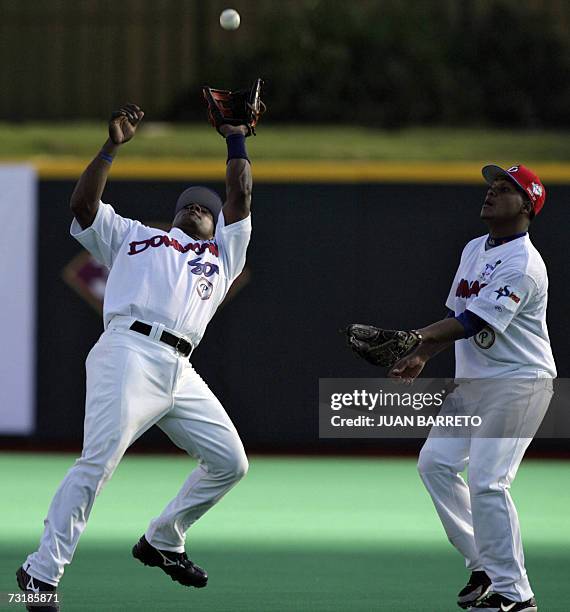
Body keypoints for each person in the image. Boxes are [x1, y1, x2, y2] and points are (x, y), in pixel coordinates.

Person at [17, 103, 254, 610]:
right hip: (128, 349)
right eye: (188, 204)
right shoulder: (136, 236)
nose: (196, 208)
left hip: (180, 367)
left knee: (231, 462)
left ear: (217, 225)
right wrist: (110, 149)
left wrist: (235, 137)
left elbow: (240, 192)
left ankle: (163, 539)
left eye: (205, 208)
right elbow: (82, 206)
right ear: (173, 214)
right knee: (98, 463)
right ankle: (40, 574)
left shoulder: (224, 257)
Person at [389, 164, 555, 612]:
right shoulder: (474, 249)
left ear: (526, 206)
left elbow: (473, 322)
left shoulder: (524, 264)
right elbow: (457, 314)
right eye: (492, 186)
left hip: (519, 383)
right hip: (475, 384)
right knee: (436, 464)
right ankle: (483, 562)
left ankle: (516, 595)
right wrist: (423, 353)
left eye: (505, 190)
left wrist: (416, 337)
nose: (492, 193)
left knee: (488, 482)